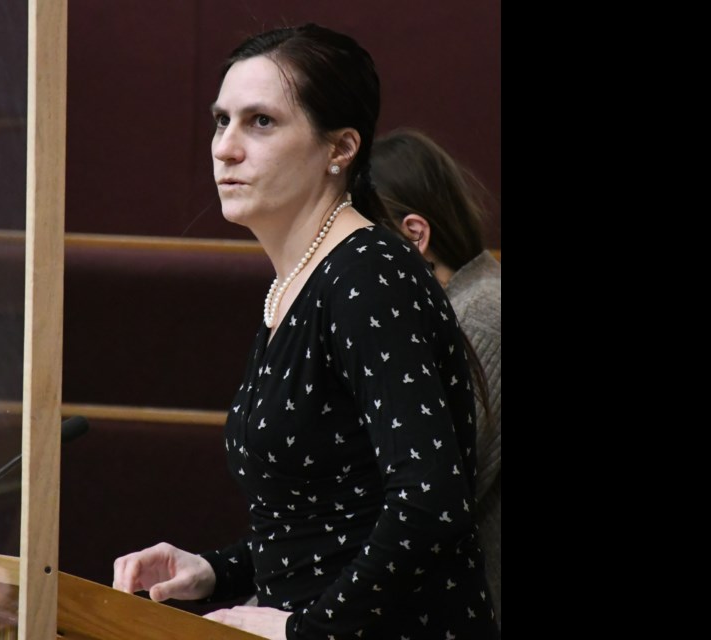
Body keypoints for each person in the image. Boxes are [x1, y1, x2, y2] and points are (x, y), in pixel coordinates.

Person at [113, 24, 499, 639]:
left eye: (260, 122)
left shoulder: (369, 273)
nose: (225, 147)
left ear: (340, 148)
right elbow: (331, 520)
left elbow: (429, 504)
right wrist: (216, 569)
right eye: (221, 120)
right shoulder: (302, 279)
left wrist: (308, 630)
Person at [371, 127, 502, 627]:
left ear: (414, 235)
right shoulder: (461, 305)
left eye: (359, 241)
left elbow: (420, 505)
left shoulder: (479, 318)